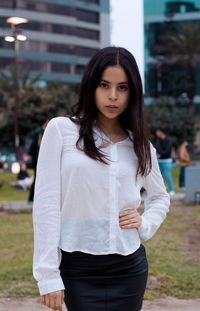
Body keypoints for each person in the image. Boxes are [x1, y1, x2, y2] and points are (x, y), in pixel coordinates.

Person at [33, 47, 170, 311]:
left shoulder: (140, 145)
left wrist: (146, 222)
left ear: (133, 93)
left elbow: (160, 197)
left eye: (123, 87)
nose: (112, 96)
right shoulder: (61, 131)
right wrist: (48, 275)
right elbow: (46, 205)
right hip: (77, 269)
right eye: (104, 85)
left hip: (129, 268)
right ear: (91, 86)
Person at [28, 117, 49, 202]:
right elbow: (39, 147)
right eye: (48, 122)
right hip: (37, 159)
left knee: (39, 178)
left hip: (37, 158)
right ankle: (31, 198)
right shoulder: (40, 133)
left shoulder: (41, 132)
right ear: (44, 123)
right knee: (38, 178)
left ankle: (35, 198)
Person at [155, 128, 175, 196]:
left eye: (157, 132)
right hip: (159, 160)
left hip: (167, 161)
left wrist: (160, 154)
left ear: (161, 132)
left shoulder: (168, 140)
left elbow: (167, 151)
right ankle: (161, 191)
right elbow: (157, 148)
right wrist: (159, 154)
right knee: (159, 177)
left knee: (168, 175)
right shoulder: (158, 140)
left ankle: (171, 190)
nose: (156, 133)